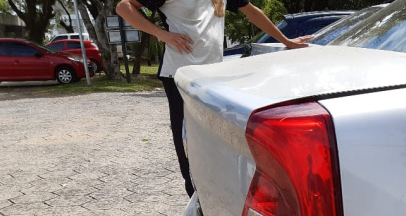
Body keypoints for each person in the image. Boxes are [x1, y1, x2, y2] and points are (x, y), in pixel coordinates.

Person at [116, 0, 310, 197]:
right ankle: (196, 198)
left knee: (214, 138)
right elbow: (123, 7)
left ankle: (218, 195)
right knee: (187, 141)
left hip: (212, 77)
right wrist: (162, 34)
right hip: (180, 75)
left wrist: (287, 41)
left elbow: (253, 12)